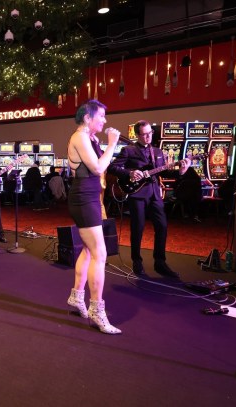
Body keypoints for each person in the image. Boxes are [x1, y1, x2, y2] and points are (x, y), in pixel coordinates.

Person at [108, 119, 190, 279]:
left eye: (150, 134)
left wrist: (181, 171)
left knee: (162, 226)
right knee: (137, 228)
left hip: (154, 194)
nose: (147, 137)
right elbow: (112, 167)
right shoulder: (129, 150)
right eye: (144, 134)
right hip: (137, 194)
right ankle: (136, 261)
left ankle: (160, 262)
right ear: (137, 135)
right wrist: (130, 173)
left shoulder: (158, 152)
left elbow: (163, 172)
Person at [66, 99, 121, 335]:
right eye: (101, 116)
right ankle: (97, 311)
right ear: (88, 118)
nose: (105, 120)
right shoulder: (79, 137)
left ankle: (76, 297)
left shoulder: (88, 137)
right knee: (100, 253)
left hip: (90, 197)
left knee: (89, 251)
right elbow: (98, 168)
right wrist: (112, 144)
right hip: (83, 199)